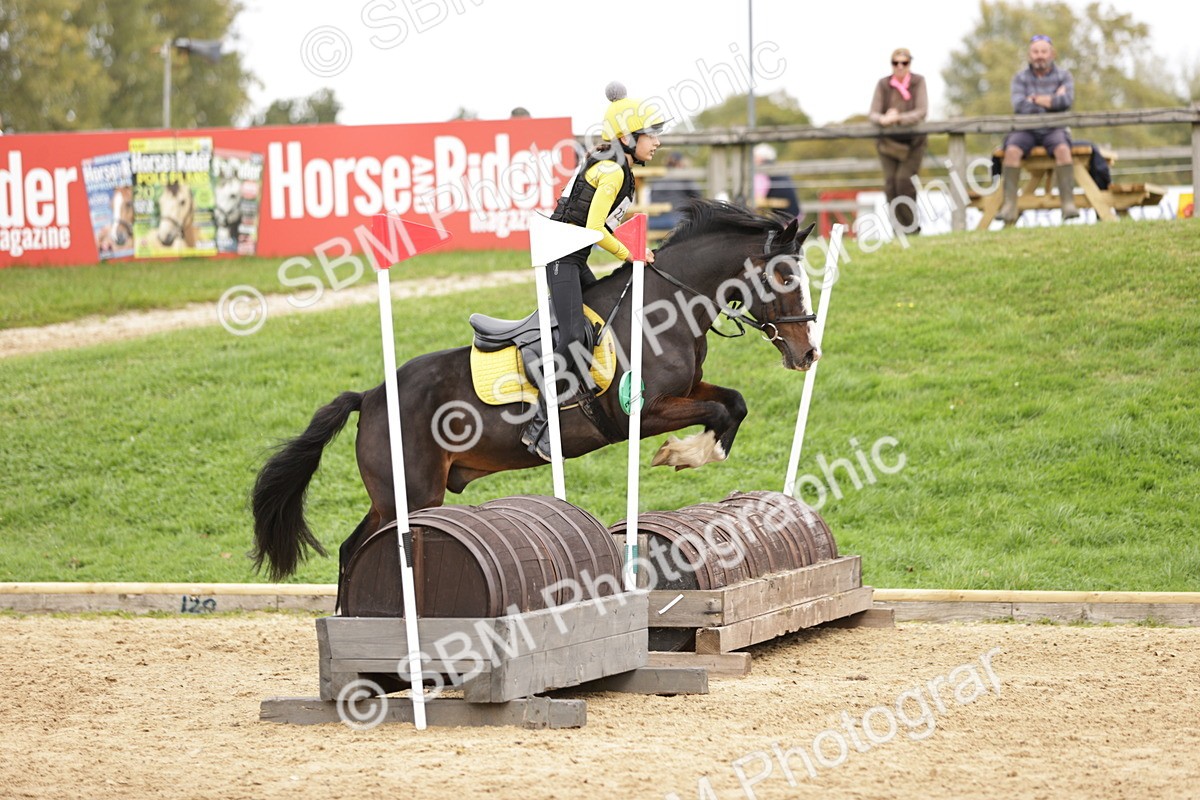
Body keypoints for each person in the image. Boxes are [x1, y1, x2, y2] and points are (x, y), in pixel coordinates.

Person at [521, 81, 663, 461]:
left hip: (573, 258)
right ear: (627, 137)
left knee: (602, 313)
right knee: (572, 336)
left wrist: (632, 250)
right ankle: (538, 423)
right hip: (561, 258)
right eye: (652, 134)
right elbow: (595, 228)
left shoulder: (617, 165)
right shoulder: (613, 171)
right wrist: (631, 255)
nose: (658, 141)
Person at [997, 34, 1078, 224]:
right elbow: (1019, 105)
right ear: (1029, 55)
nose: (1039, 55)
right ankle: (1009, 205)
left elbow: (1066, 102)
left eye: (1043, 51)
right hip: (1025, 128)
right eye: (1035, 51)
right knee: (1012, 150)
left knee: (1063, 149)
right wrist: (1051, 100)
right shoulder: (1020, 78)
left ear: (1052, 54)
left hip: (1054, 128)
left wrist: (1034, 99)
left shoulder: (1064, 76)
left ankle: (1068, 203)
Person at [868, 48, 928, 233]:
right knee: (890, 185)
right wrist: (883, 119)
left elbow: (921, 111)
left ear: (910, 63)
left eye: (904, 63)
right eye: (896, 63)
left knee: (903, 182)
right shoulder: (883, 84)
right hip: (888, 144)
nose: (900, 66)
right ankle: (898, 230)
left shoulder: (918, 81)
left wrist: (898, 118)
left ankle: (911, 228)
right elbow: (873, 113)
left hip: (913, 144)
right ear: (892, 64)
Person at [648, 151, 702, 230]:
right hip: (677, 220)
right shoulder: (684, 177)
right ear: (680, 163)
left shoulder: (658, 178)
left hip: (654, 221)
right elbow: (698, 196)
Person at [752, 143, 801, 222]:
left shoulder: (762, 171)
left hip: (784, 218)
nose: (753, 159)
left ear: (760, 158)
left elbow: (759, 197)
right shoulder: (778, 170)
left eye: (755, 156)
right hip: (794, 214)